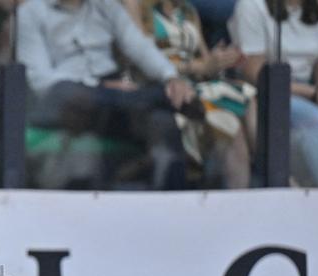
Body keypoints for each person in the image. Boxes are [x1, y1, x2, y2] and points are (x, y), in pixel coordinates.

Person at [17, 0, 199, 189]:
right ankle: (160, 98)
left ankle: (175, 204)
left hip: (113, 101)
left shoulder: (105, 5)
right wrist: (99, 86)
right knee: (70, 94)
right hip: (64, 96)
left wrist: (170, 77)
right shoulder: (31, 12)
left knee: (162, 120)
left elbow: (137, 44)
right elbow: (39, 79)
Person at [139, 0, 256, 188]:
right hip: (161, 88)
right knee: (232, 116)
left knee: (243, 100)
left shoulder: (189, 11)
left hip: (196, 85)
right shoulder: (141, 7)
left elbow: (205, 62)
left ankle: (264, 175)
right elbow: (142, 58)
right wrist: (198, 66)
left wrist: (220, 60)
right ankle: (272, 178)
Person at [229, 0, 318, 188]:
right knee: (317, 121)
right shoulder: (251, 5)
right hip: (266, 91)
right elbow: (255, 72)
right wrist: (314, 94)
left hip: (310, 92)